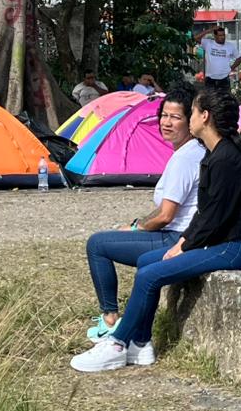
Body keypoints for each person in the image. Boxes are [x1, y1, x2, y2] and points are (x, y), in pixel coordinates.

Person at [71, 88, 241, 372]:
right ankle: (141, 343)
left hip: (235, 247)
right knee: (148, 261)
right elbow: (204, 214)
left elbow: (215, 219)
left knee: (149, 274)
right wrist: (184, 241)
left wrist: (183, 245)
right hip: (219, 241)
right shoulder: (213, 154)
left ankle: (118, 343)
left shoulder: (226, 159)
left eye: (191, 113)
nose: (185, 118)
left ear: (204, 117)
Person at [81, 84, 205, 345]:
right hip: (175, 233)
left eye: (176, 117)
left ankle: (110, 319)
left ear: (191, 121)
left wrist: (139, 229)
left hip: (176, 238)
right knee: (112, 239)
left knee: (97, 245)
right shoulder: (187, 153)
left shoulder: (186, 158)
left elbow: (166, 216)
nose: (167, 123)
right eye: (164, 116)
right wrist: (137, 224)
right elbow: (161, 210)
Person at [195, 25, 241, 91]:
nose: (222, 37)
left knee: (225, 99)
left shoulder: (230, 46)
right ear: (215, 36)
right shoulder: (208, 43)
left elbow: (239, 59)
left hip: (224, 79)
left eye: (223, 35)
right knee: (210, 99)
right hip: (210, 79)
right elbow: (196, 38)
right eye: (220, 35)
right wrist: (210, 30)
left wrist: (231, 68)